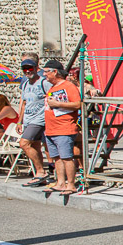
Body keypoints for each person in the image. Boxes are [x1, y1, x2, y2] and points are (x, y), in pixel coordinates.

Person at [42, 59, 82, 196]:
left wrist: (57, 104)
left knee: (66, 157)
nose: (44, 74)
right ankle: (60, 183)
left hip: (64, 128)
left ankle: (71, 184)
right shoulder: (52, 88)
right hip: (51, 129)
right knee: (56, 158)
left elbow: (77, 104)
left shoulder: (69, 86)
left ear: (55, 72)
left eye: (46, 72)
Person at [16, 55, 53, 186]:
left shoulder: (44, 82)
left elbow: (53, 96)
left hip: (39, 119)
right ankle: (40, 172)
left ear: (37, 68)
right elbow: (24, 104)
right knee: (35, 146)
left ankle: (41, 172)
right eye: (24, 69)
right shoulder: (25, 84)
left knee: (24, 143)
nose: (27, 71)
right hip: (28, 119)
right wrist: (20, 121)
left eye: (29, 68)